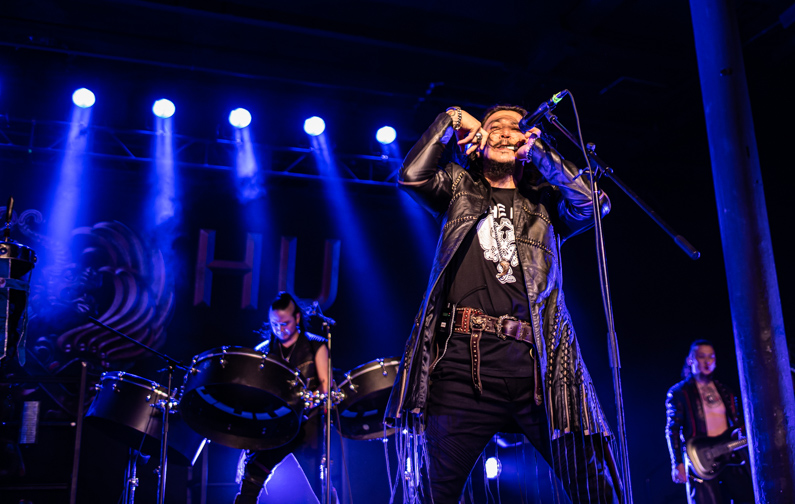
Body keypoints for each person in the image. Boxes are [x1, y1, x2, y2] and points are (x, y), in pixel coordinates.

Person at [385, 103, 622, 503]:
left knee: (596, 488)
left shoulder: (546, 202)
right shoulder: (458, 186)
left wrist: (541, 154)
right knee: (432, 493)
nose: (506, 132)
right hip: (462, 368)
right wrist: (452, 118)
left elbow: (592, 205)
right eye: (495, 126)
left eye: (517, 128)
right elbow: (412, 176)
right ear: (477, 142)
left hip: (539, 371)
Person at [234, 292, 339, 504]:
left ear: (297, 318)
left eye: (284, 323)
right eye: (275, 324)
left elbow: (325, 385)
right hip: (275, 423)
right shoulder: (263, 352)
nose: (280, 329)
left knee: (319, 484)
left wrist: (312, 398)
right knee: (252, 474)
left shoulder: (316, 345)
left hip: (308, 422)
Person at [665, 340, 753, 504]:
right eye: (701, 356)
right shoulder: (679, 392)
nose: (707, 361)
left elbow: (737, 422)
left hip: (729, 456)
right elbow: (673, 429)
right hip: (701, 459)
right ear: (691, 360)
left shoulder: (725, 391)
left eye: (711, 357)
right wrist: (677, 463)